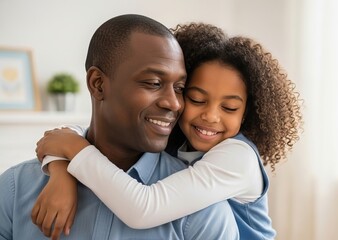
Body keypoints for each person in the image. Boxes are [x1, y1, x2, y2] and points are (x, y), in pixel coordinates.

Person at [34, 23, 303, 239]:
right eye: (196, 100)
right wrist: (60, 172)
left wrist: (74, 150)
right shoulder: (183, 140)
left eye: (230, 108)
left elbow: (144, 208)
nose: (210, 116)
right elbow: (69, 135)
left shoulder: (238, 157)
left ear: (247, 114)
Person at [0, 14, 240, 240]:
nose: (174, 103)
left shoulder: (202, 210)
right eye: (154, 83)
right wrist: (61, 167)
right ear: (98, 84)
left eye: (179, 88)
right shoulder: (15, 188)